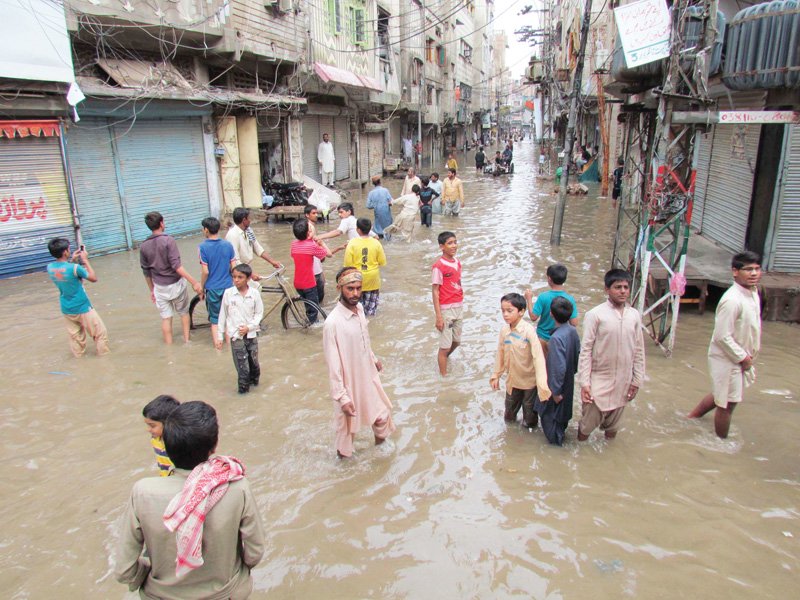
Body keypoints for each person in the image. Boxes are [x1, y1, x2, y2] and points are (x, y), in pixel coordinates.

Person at [114, 401, 266, 598]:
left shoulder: (143, 492)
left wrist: (147, 577)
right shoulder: (237, 487)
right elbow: (255, 552)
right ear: (214, 446)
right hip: (224, 593)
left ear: (165, 447)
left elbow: (124, 570)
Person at [688, 251, 762, 438]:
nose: (753, 273)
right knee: (728, 403)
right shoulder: (732, 300)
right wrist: (743, 357)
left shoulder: (753, 294)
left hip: (740, 354)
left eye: (757, 269)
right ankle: (722, 442)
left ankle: (691, 418)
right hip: (728, 356)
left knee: (721, 393)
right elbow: (722, 336)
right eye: (748, 269)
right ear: (735, 272)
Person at [323, 267, 396, 458]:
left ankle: (380, 453)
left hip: (367, 374)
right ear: (340, 288)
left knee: (381, 416)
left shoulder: (361, 309)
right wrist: (342, 396)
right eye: (350, 289)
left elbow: (364, 338)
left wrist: (373, 358)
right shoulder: (332, 323)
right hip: (348, 382)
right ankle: (344, 470)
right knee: (347, 431)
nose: (355, 293)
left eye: (358, 288)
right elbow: (333, 364)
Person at [577, 269, 645, 441]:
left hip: (623, 381)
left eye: (626, 287)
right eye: (617, 287)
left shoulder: (634, 315)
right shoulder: (595, 315)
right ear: (607, 289)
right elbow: (585, 350)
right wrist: (585, 382)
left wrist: (637, 380)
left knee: (613, 429)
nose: (623, 291)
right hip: (599, 380)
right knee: (585, 428)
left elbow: (639, 350)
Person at [140, 212, 203, 344]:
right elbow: (177, 266)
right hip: (176, 284)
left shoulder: (144, 246)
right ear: (162, 223)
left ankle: (169, 348)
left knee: (166, 318)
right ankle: (187, 341)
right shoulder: (168, 240)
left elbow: (146, 272)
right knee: (184, 313)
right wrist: (195, 282)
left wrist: (152, 290)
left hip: (159, 287)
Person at [490, 293, 551, 429]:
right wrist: (496, 375)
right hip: (512, 381)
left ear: (521, 312)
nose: (505, 314)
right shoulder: (504, 331)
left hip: (529, 383)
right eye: (503, 311)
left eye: (509, 311)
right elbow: (500, 354)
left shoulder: (528, 331)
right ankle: (511, 438)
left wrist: (542, 385)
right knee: (509, 415)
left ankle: (527, 441)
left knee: (529, 419)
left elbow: (538, 358)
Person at [46, 238, 110, 357]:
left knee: (76, 339)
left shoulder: (50, 267)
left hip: (66, 308)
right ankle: (104, 359)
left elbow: (65, 273)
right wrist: (85, 260)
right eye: (68, 249)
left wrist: (73, 260)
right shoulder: (74, 268)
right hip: (82, 307)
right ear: (65, 252)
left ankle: (79, 360)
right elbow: (93, 278)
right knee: (100, 334)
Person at [537, 297, 581, 445]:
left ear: (551, 314)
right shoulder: (573, 332)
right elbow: (576, 355)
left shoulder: (555, 338)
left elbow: (557, 367)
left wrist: (555, 392)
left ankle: (556, 448)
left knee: (551, 422)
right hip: (568, 382)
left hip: (557, 389)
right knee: (562, 418)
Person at [217, 264, 264, 394]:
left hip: (251, 335)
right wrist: (219, 336)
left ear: (248, 278)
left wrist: (249, 327)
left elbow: (259, 313)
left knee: (254, 365)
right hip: (236, 336)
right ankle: (243, 392)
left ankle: (255, 387)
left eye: (240, 277)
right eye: (234, 277)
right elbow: (223, 315)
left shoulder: (254, 294)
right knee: (243, 368)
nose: (236, 280)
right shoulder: (228, 294)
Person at [524, 264, 579, 355]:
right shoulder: (570, 299)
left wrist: (529, 299)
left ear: (549, 279)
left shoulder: (543, 297)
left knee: (541, 365)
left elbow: (533, 317)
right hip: (560, 338)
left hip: (542, 338)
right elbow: (574, 323)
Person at [199, 217, 237, 347]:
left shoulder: (203, 247)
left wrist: (201, 287)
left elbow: (205, 272)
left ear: (206, 230)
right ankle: (230, 346)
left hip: (213, 289)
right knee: (228, 319)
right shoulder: (228, 245)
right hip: (228, 287)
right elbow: (234, 267)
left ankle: (218, 347)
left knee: (215, 320)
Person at [432, 231, 463, 376]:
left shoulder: (457, 262)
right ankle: (444, 377)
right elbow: (435, 291)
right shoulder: (438, 266)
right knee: (445, 347)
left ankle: (443, 359)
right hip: (446, 310)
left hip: (458, 307)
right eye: (450, 243)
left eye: (455, 242)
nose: (454, 246)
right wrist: (438, 316)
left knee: (456, 341)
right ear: (441, 247)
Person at [290, 217, 332, 324]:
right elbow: (328, 255)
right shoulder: (312, 246)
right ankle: (313, 327)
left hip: (297, 283)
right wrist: (322, 244)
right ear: (309, 232)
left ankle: (308, 321)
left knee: (307, 305)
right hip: (309, 282)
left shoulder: (293, 244)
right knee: (313, 308)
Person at [343, 218, 386, 317]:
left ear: (357, 229)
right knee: (371, 310)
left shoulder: (352, 243)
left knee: (356, 309)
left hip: (356, 281)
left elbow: (347, 265)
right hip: (373, 280)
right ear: (370, 228)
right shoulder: (376, 243)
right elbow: (382, 262)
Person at [142, 394, 180, 476]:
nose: (148, 430)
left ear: (169, 423)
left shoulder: (178, 444)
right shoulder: (155, 440)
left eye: (152, 426)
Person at [304, 204, 327, 304]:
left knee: (317, 298)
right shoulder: (308, 228)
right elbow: (325, 255)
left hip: (316, 269)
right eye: (313, 213)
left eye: (316, 213)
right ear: (307, 215)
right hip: (313, 272)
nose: (316, 215)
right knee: (316, 299)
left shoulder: (310, 228)